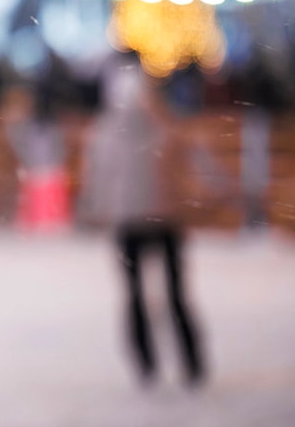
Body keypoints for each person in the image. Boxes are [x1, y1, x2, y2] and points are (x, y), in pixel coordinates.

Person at [79, 52, 206, 388]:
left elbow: (98, 173)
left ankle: (169, 364)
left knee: (160, 294)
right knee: (154, 294)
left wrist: (94, 206)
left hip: (153, 218)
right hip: (146, 218)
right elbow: (99, 172)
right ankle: (166, 364)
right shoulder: (137, 125)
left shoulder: (141, 124)